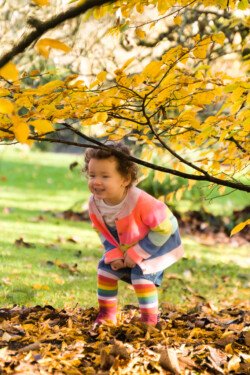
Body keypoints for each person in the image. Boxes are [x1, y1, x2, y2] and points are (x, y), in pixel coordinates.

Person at [84, 141, 184, 326]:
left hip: (158, 242)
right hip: (126, 241)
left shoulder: (141, 202)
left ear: (125, 179)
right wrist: (113, 253)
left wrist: (137, 253)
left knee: (141, 276)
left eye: (105, 176)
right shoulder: (95, 203)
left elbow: (164, 228)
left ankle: (149, 320)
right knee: (105, 271)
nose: (96, 181)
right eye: (92, 175)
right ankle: (107, 315)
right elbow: (101, 230)